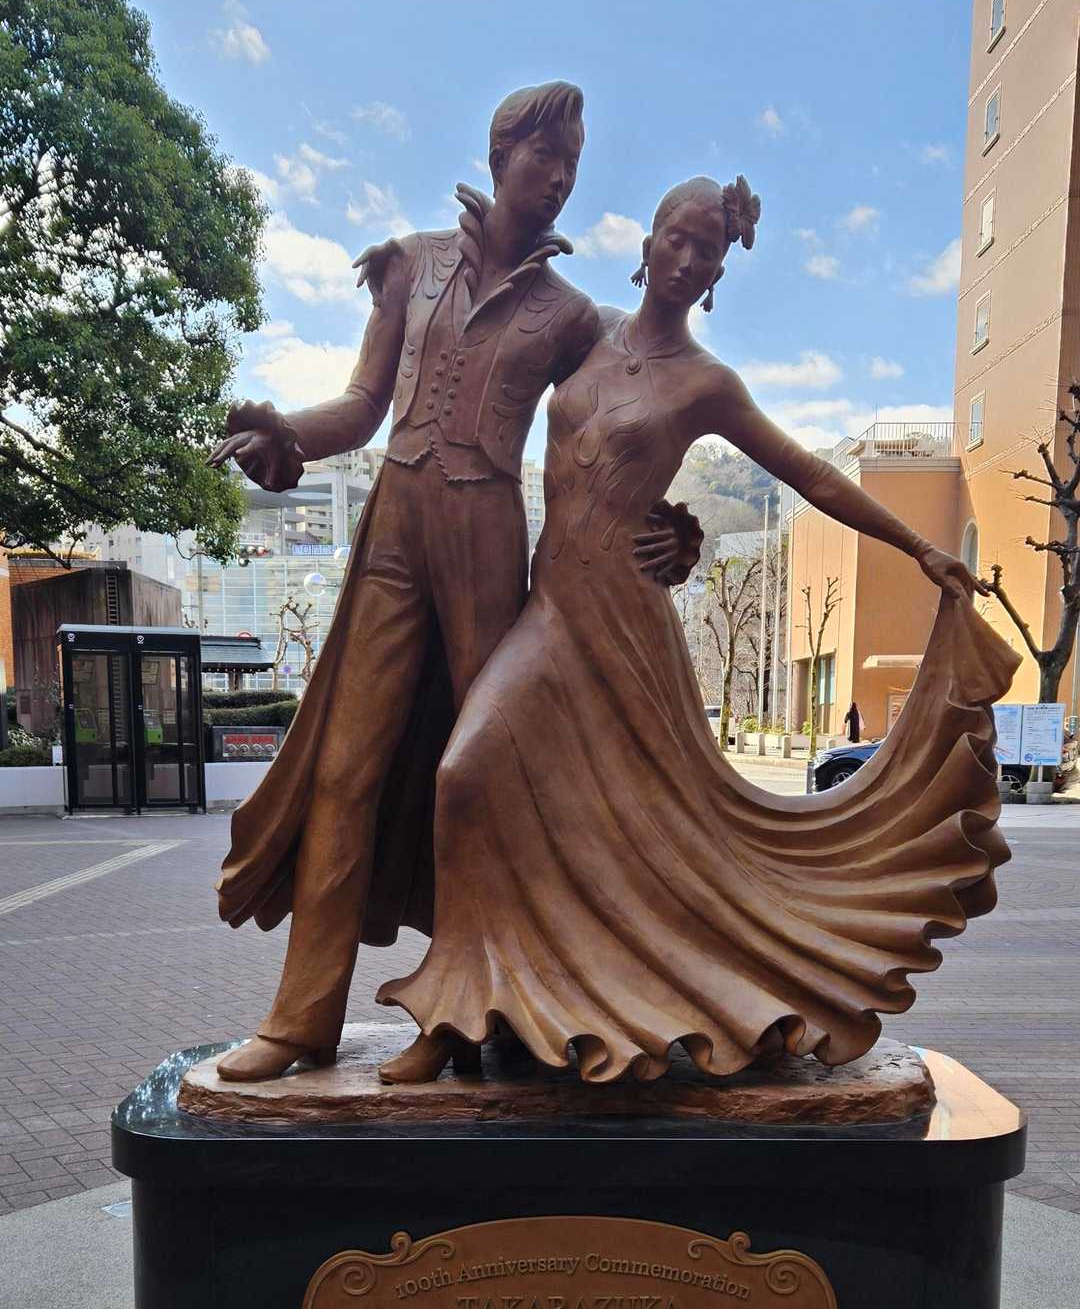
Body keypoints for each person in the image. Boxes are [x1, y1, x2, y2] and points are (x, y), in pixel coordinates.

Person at [379, 173, 1019, 1084]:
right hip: (549, 610)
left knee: (652, 838)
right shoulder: (586, 334)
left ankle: (599, 1007)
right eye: (675, 239)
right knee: (467, 775)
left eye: (706, 252)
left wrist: (919, 547)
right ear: (646, 244)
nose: (685, 260)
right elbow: (497, 339)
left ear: (718, 274)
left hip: (626, 629)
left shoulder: (708, 384)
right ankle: (461, 1015)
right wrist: (444, 261)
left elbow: (809, 473)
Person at [209, 83, 601, 1082]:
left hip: (487, 534)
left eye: (573, 164)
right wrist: (287, 434)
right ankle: (303, 1019)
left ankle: (462, 1016)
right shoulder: (412, 265)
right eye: (545, 156)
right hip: (394, 522)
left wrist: (657, 523)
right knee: (345, 770)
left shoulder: (570, 318)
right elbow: (362, 404)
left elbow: (613, 432)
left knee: (480, 779)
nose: (559, 178)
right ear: (500, 155)